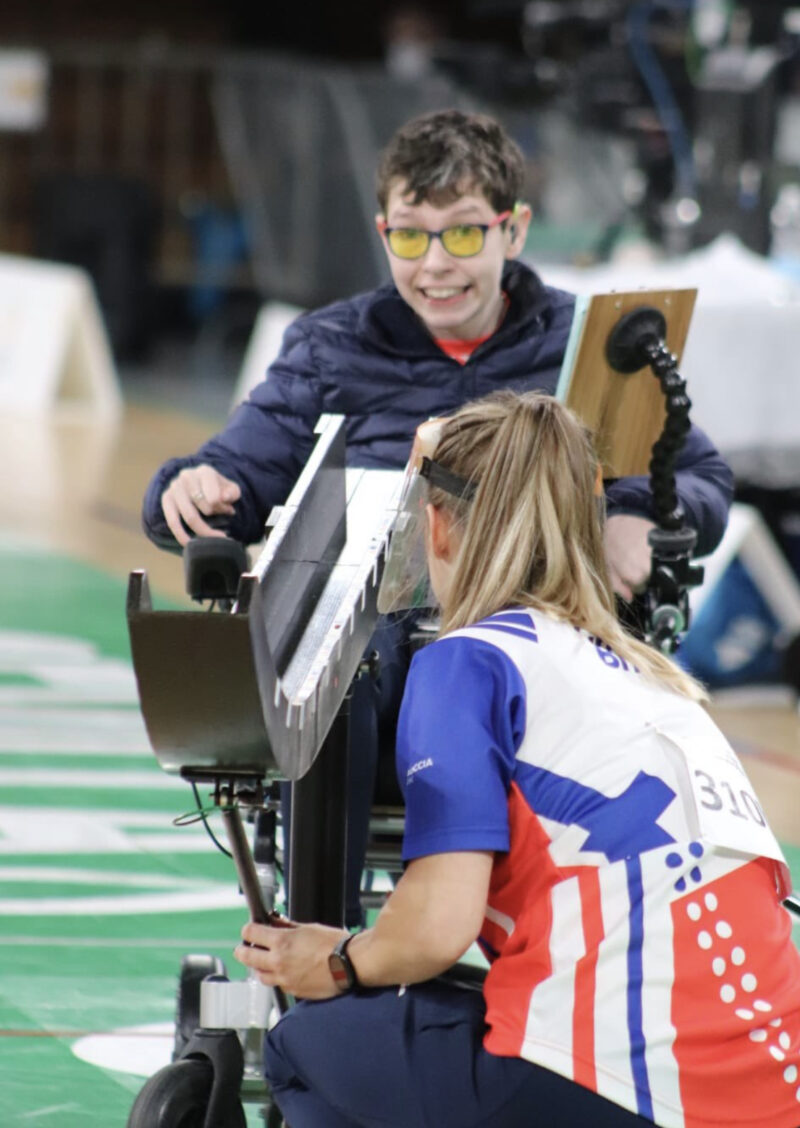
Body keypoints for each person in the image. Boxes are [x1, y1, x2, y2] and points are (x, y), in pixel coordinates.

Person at [142, 108, 733, 923]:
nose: (434, 265)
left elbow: (697, 476)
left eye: (462, 235)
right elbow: (239, 470)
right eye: (410, 237)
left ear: (513, 230)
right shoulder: (330, 348)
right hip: (379, 634)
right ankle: (326, 942)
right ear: (383, 233)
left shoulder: (588, 342)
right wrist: (193, 487)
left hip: (546, 624)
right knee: (336, 672)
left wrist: (638, 513)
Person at [235, 391, 800, 1128]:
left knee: (304, 1047)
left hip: (616, 1111)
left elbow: (437, 929)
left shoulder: (467, 663)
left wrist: (336, 960)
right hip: (777, 1122)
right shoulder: (665, 682)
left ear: (436, 524)